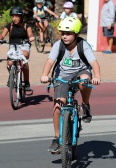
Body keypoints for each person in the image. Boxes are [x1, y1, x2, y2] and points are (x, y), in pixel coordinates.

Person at [40, 17, 101, 153]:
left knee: (84, 80)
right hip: (62, 76)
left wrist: (96, 76)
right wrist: (45, 75)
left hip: (81, 72)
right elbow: (50, 62)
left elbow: (94, 63)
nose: (64, 36)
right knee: (57, 106)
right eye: (62, 33)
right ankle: (57, 138)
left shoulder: (83, 45)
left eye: (68, 33)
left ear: (77, 34)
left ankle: (85, 104)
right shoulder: (58, 45)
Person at [0, 6, 35, 90]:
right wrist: (0, 38)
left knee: (24, 60)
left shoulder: (26, 25)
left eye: (16, 16)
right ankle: (11, 76)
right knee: (10, 63)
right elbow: (3, 34)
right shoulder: (10, 26)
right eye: (13, 16)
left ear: (20, 16)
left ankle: (26, 82)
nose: (14, 18)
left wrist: (31, 37)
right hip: (13, 45)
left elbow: (30, 34)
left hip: (24, 45)